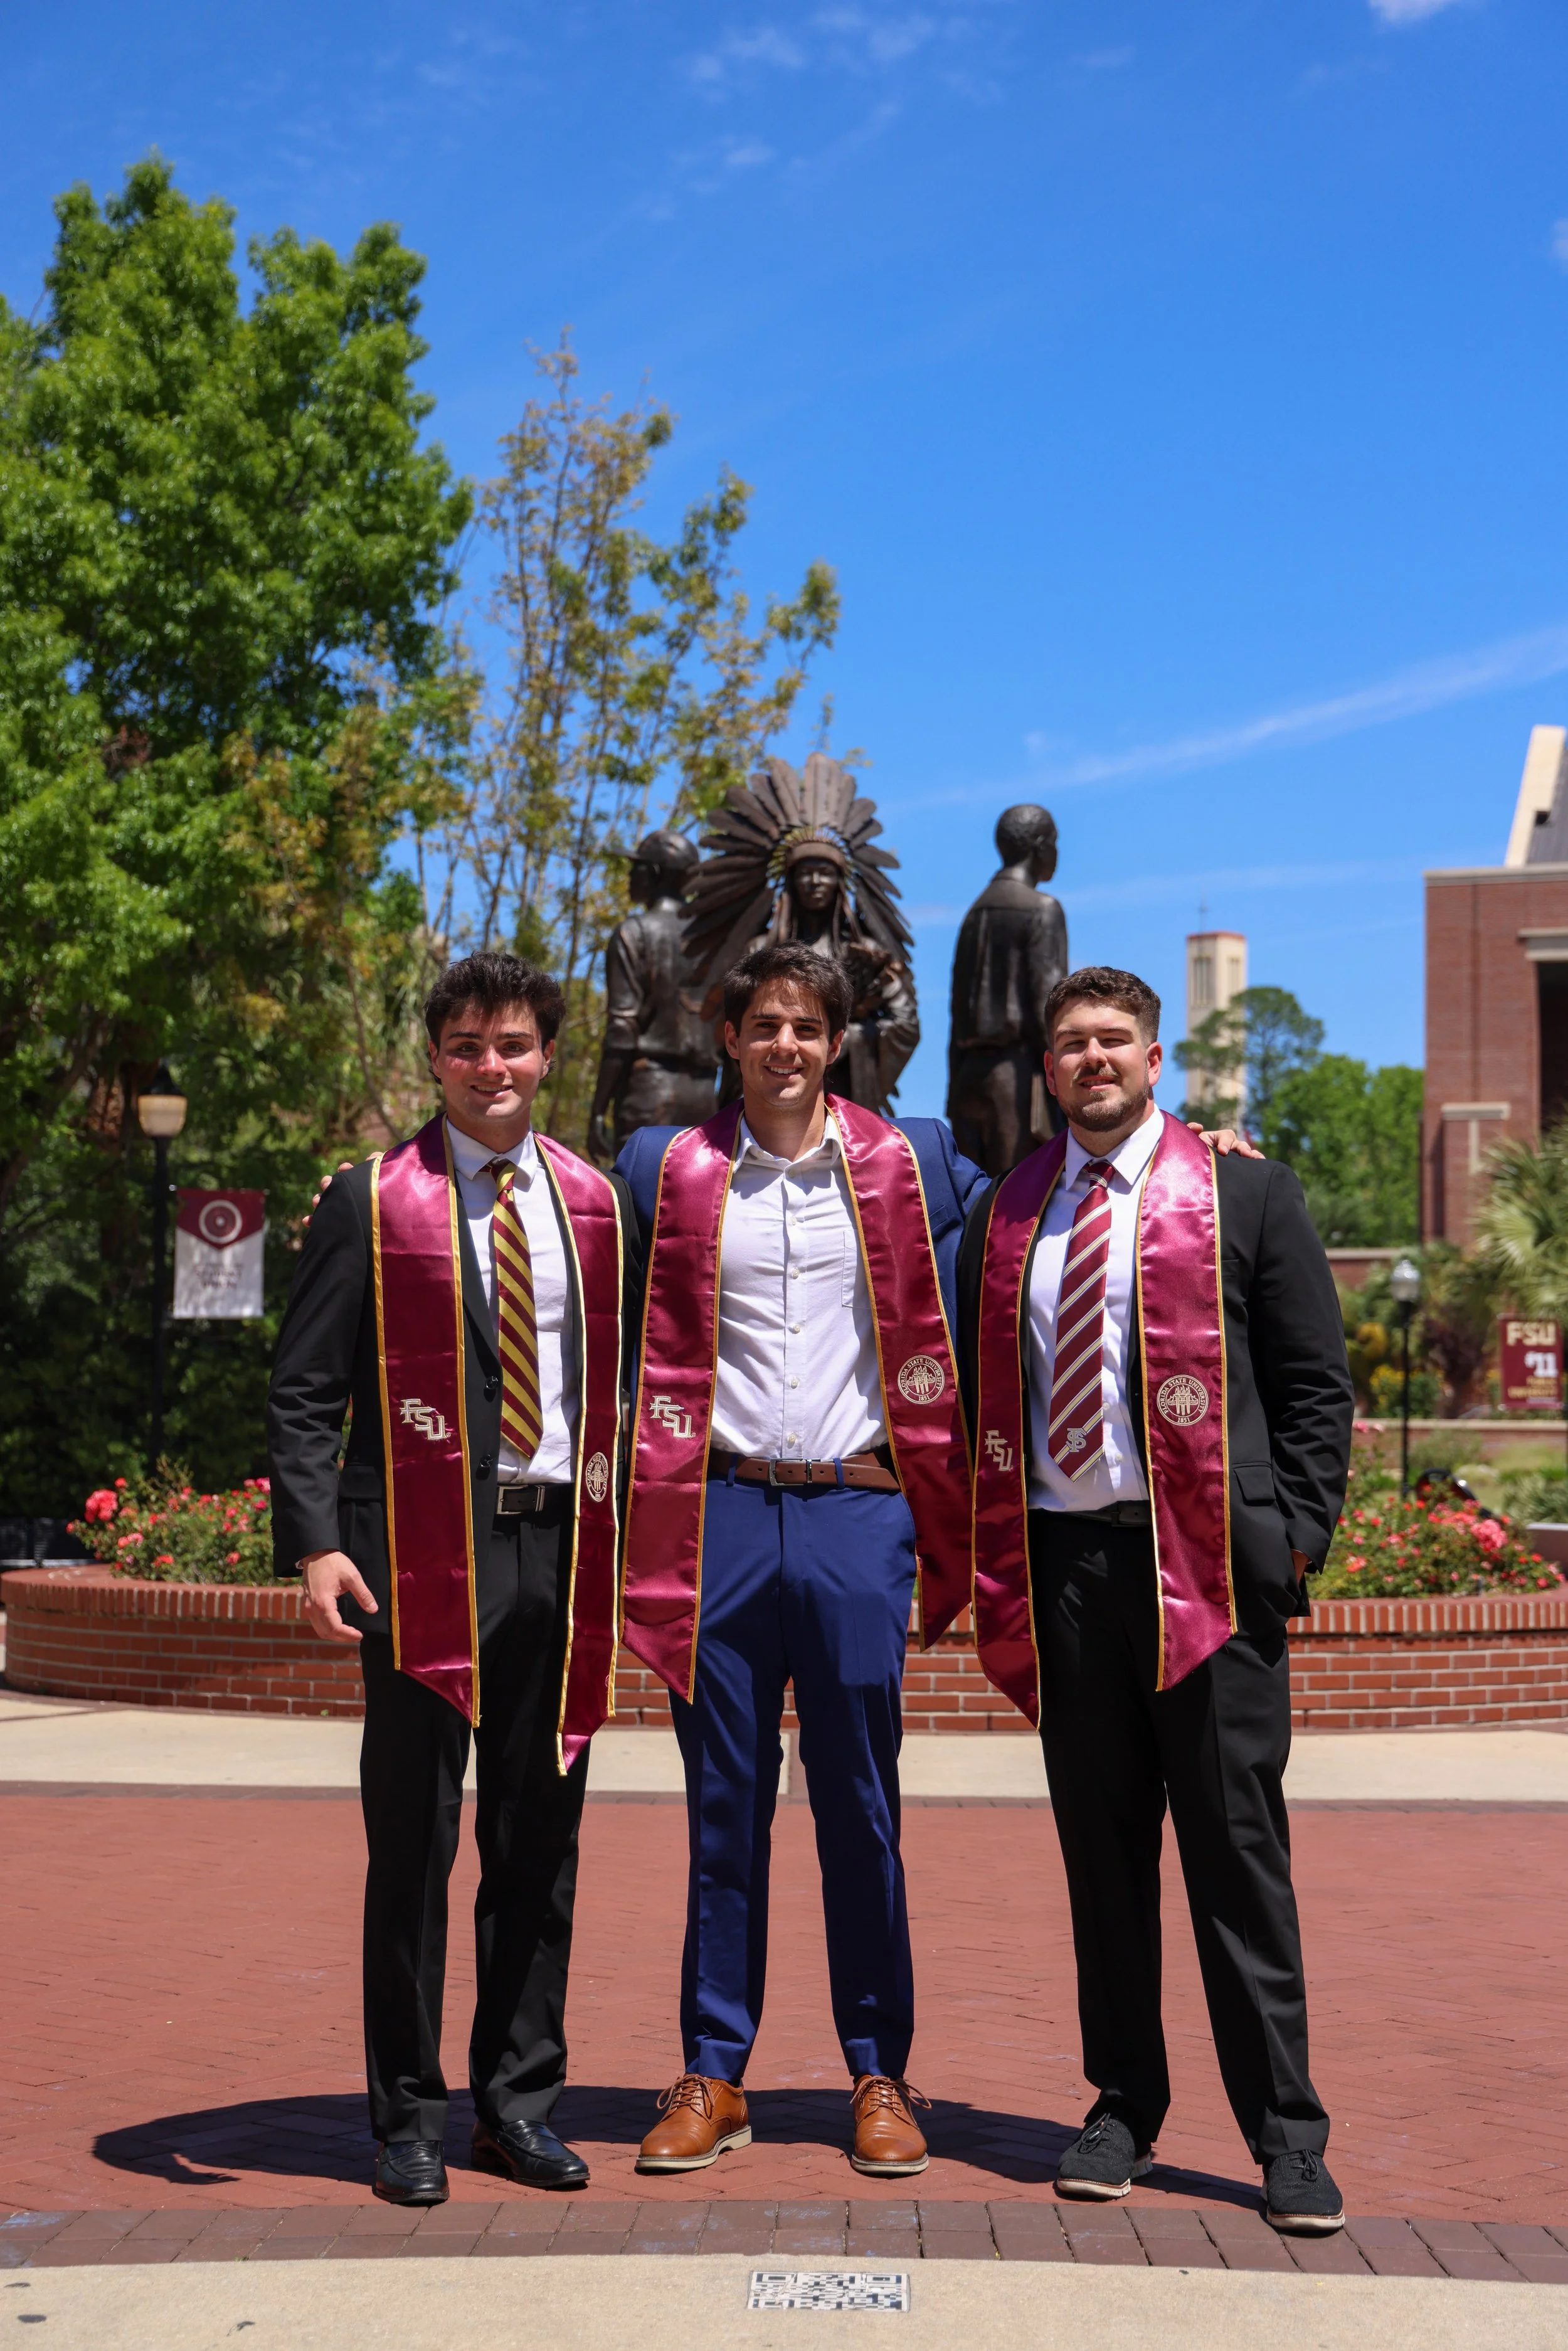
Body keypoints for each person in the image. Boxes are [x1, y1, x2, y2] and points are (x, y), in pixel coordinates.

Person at [959, 965, 1353, 2236]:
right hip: (1070, 1572)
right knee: (1102, 1855)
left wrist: (1293, 1536)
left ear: (1155, 1051)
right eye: (1069, 1042)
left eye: (1111, 1039)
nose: (1090, 1059)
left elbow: (1310, 1385)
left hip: (1210, 1574)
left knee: (1237, 1857)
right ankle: (1122, 2101)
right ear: (1046, 1062)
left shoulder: (1239, 1187)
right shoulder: (1008, 1213)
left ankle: (1286, 2129)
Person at [267, 952, 639, 2206]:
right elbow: (308, 1382)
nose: (494, 1066)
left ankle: (517, 2101)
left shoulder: (593, 1200)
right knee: (414, 1841)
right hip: (420, 1551)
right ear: (435, 1054)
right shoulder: (372, 1197)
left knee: (541, 1839)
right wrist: (317, 1535)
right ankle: (407, 2112)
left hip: (557, 1548)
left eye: (517, 1044)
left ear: (547, 1056)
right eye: (470, 1044)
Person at [614, 940, 985, 2178]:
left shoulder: (911, 1161)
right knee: (721, 1806)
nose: (783, 1043)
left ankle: (877, 2070)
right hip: (711, 1511)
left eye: (805, 1025)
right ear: (729, 1035)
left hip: (851, 1513)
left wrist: (1207, 1147)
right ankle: (713, 2072)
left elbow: (1043, 1204)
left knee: (859, 1806)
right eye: (762, 1022)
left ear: (836, 1042)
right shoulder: (664, 1167)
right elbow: (539, 1215)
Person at [946, 804, 1068, 1174]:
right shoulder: (1042, 909)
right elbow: (1050, 1010)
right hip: (1017, 1083)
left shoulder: (974, 912)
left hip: (968, 1080)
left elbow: (955, 1012)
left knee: (974, 1204)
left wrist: (953, 1089)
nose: (1057, 854)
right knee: (1017, 1209)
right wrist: (1065, 1089)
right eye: (1055, 844)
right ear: (1039, 845)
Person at [586, 829, 718, 1162]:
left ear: (656, 874)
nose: (631, 876)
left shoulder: (635, 932)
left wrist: (599, 1109)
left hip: (649, 1096)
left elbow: (622, 1028)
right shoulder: (715, 941)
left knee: (642, 1207)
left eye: (638, 867)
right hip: (706, 1099)